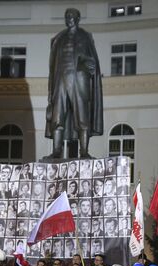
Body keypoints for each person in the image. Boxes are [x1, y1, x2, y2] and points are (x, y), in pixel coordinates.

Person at [45, 8, 103, 159]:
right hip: (60, 81)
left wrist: (87, 64)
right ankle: (56, 151)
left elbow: (93, 62)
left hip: (78, 81)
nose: (69, 18)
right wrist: (50, 93)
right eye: (67, 15)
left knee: (82, 117)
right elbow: (52, 68)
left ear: (78, 18)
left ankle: (83, 152)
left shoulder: (85, 37)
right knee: (57, 118)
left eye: (72, 15)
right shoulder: (59, 38)